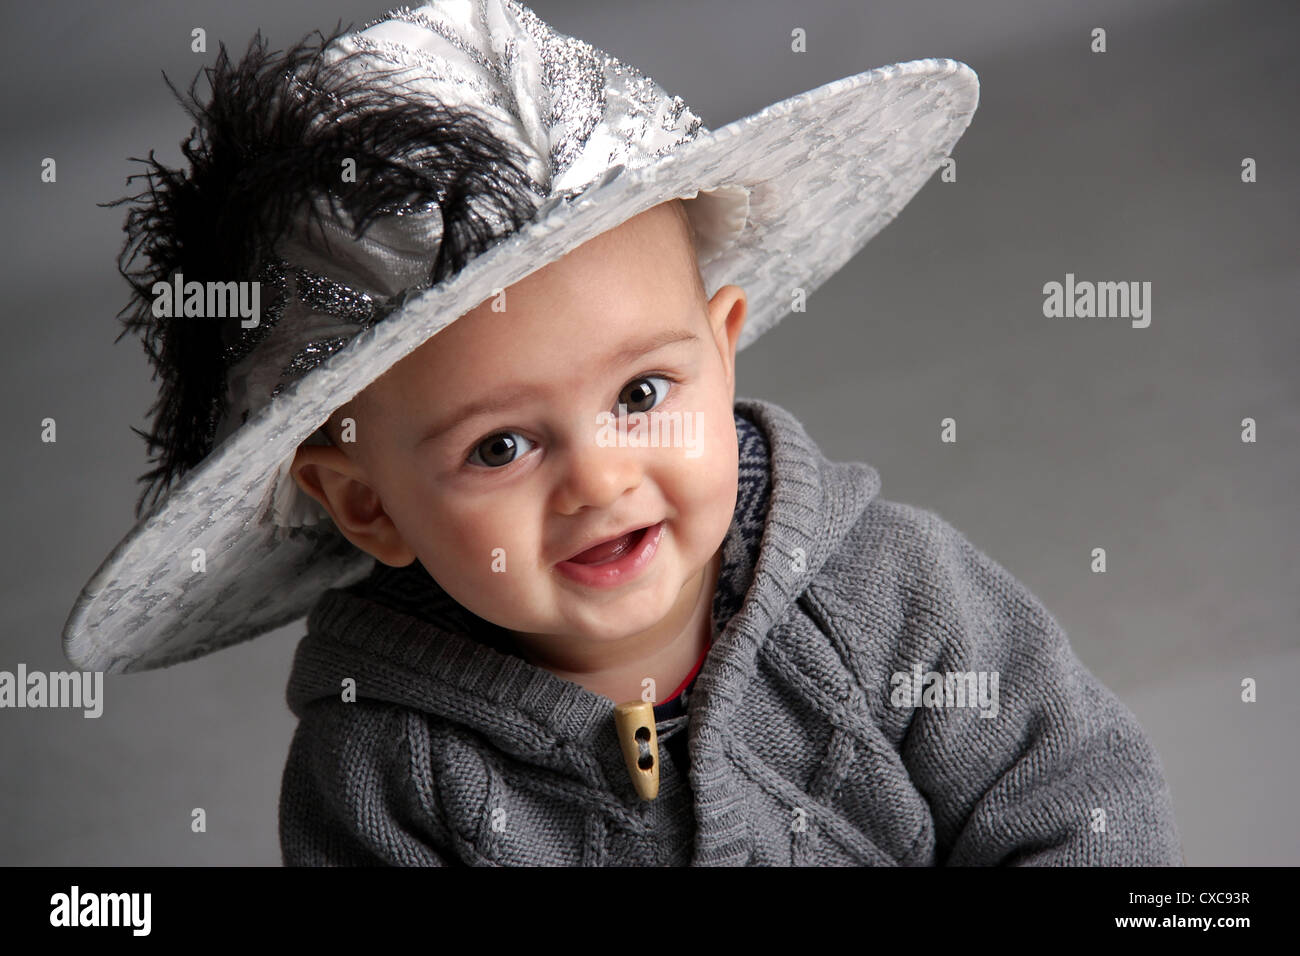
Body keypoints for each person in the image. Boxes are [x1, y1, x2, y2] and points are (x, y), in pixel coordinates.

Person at [64, 1, 1182, 866]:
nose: (599, 478)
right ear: (367, 501)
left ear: (722, 340)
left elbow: (1075, 796)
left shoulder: (891, 595)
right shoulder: (387, 763)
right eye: (500, 446)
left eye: (641, 392)